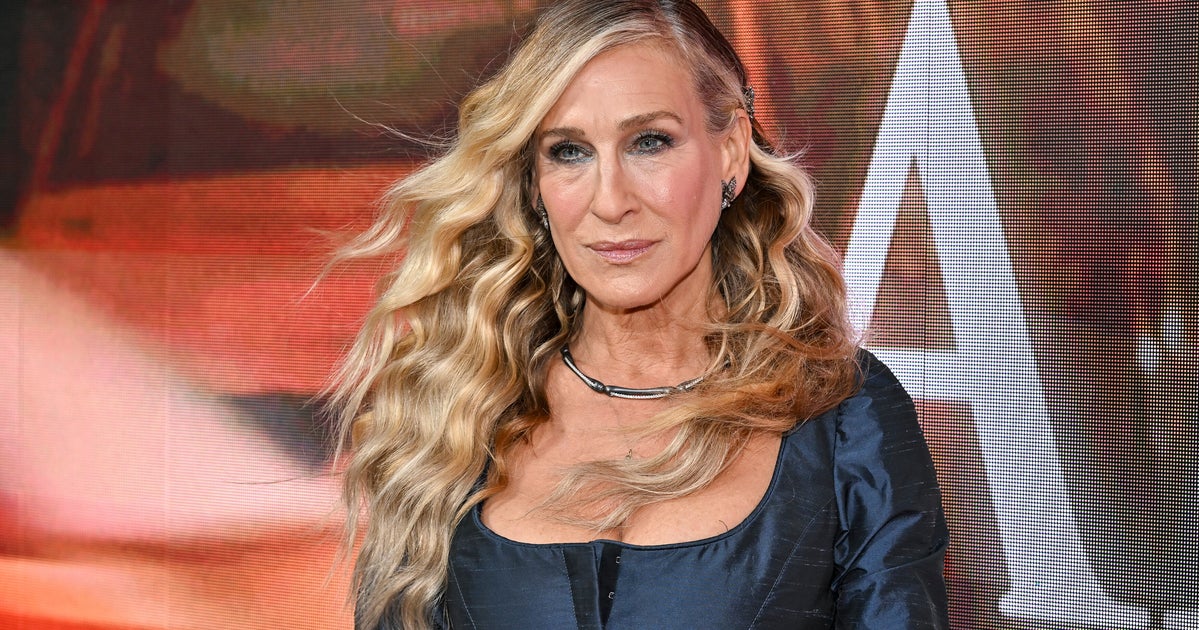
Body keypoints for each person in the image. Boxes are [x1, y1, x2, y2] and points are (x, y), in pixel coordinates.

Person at [331, 1, 949, 628]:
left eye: (649, 142)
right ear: (536, 183)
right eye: (569, 151)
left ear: (731, 152)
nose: (610, 201)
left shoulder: (843, 418)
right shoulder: (457, 414)